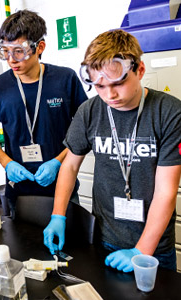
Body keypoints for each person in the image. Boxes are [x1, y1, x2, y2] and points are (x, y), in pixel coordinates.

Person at [43, 29, 181, 272]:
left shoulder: (168, 113)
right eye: (100, 86)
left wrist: (142, 251)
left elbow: (166, 191)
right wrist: (58, 215)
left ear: (139, 70)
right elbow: (70, 166)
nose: (110, 95)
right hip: (103, 236)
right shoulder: (89, 111)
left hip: (154, 246)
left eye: (118, 83)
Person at [0, 10, 87, 217]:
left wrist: (58, 161)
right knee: (22, 245)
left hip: (63, 184)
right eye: (5, 51)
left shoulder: (65, 79)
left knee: (70, 245)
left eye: (19, 51)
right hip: (19, 190)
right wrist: (6, 162)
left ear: (40, 47)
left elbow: (84, 129)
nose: (11, 59)